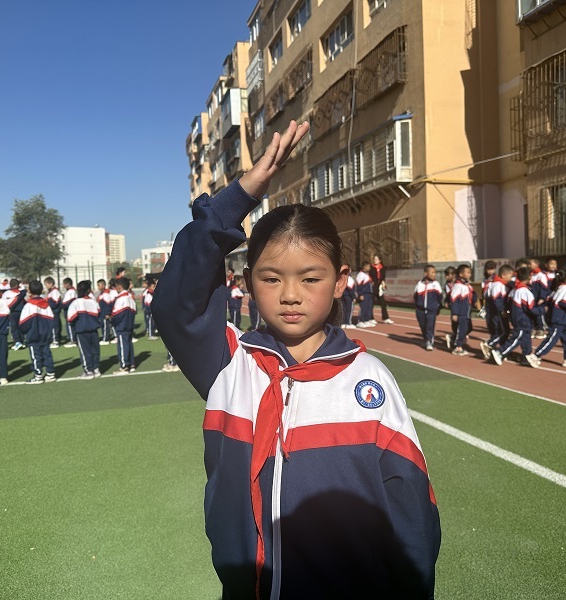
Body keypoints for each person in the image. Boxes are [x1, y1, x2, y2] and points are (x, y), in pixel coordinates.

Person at [152, 120, 440, 599]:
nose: (290, 296)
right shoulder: (230, 364)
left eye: (310, 278)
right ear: (246, 281)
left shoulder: (369, 381)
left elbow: (411, 510)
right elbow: (176, 302)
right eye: (270, 278)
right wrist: (240, 195)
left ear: (341, 280)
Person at [490, 266, 540, 368]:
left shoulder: (514, 290)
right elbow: (530, 308)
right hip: (522, 318)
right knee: (517, 338)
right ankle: (500, 352)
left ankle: (527, 355)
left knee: (526, 337)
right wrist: (541, 311)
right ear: (528, 278)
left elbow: (508, 302)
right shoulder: (525, 291)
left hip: (517, 317)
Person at [534, 269, 566, 368]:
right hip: (558, 318)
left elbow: (548, 300)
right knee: (552, 339)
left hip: (562, 319)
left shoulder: (557, 288)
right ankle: (536, 355)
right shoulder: (565, 289)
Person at [19, 280, 57, 384]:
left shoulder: (29, 305)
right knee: (47, 354)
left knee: (36, 356)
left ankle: (38, 375)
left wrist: (23, 331)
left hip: (33, 335)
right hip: (45, 334)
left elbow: (23, 322)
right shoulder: (46, 304)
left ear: (29, 291)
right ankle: (50, 373)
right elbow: (51, 319)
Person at [67, 279, 101, 379]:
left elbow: (70, 318)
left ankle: (88, 371)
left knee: (85, 351)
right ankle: (96, 369)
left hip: (82, 331)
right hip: (94, 330)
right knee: (95, 350)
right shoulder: (93, 302)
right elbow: (99, 313)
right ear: (89, 290)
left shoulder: (76, 303)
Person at [480, 265, 513, 359]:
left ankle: (501, 349)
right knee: (504, 331)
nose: (510, 278)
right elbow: (496, 299)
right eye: (509, 276)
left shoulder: (502, 284)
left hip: (497, 311)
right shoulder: (497, 284)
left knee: (501, 331)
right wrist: (502, 310)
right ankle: (489, 344)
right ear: (503, 275)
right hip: (497, 312)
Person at [446, 264, 475, 356]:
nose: (470, 274)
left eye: (470, 272)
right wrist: (455, 313)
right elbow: (454, 299)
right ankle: (457, 347)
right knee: (462, 329)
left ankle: (453, 337)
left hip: (467, 312)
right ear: (461, 274)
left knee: (469, 328)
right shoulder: (458, 286)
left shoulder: (467, 285)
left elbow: (473, 297)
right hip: (461, 313)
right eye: (468, 272)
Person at [110, 276, 136, 374]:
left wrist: (112, 322)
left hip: (121, 326)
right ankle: (131, 364)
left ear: (120, 287)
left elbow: (116, 315)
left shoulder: (121, 299)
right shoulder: (130, 299)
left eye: (116, 287)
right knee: (129, 344)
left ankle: (124, 366)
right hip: (129, 325)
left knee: (122, 345)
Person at [414, 264, 441, 350]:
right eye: (432, 272)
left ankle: (429, 341)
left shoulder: (436, 284)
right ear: (426, 273)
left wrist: (437, 307)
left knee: (430, 325)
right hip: (420, 310)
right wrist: (418, 305)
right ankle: (425, 339)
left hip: (431, 309)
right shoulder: (419, 284)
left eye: (435, 272)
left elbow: (439, 297)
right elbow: (415, 296)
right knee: (423, 326)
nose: (434, 274)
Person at [3, 278, 27, 351]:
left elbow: (4, 303)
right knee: (20, 326)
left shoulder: (6, 293)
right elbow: (25, 302)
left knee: (14, 327)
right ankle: (21, 341)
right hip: (21, 311)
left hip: (12, 312)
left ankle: (17, 341)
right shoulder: (21, 293)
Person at [370, 253, 394, 324]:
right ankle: (371, 318)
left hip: (379, 287)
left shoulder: (382, 268)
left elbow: (383, 278)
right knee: (371, 303)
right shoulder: (371, 268)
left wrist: (383, 285)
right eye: (374, 259)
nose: (375, 260)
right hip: (373, 286)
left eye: (376, 259)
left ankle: (386, 318)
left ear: (380, 260)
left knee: (383, 303)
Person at [529, 258, 549, 339]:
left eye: (530, 264)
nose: (528, 265)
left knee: (539, 314)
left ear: (536, 265)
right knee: (532, 314)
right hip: (532, 299)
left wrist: (542, 297)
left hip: (538, 299)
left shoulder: (541, 275)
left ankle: (541, 329)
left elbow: (544, 287)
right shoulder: (531, 275)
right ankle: (533, 328)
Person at [44, 276, 62, 348]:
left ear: (51, 283)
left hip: (54, 312)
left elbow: (55, 302)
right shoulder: (51, 292)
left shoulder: (55, 292)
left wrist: (48, 305)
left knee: (54, 326)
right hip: (52, 312)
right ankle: (55, 338)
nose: (45, 286)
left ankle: (55, 340)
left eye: (46, 284)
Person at [355, 262, 375, 328]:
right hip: (364, 294)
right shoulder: (360, 274)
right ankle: (360, 321)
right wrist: (360, 294)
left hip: (369, 293)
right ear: (364, 267)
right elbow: (359, 285)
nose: (369, 268)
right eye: (368, 266)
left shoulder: (367, 274)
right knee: (363, 307)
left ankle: (366, 320)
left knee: (368, 308)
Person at [96, 279, 114, 345]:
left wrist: (107, 313)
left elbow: (108, 304)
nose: (98, 287)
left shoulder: (106, 294)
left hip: (104, 313)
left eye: (99, 285)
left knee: (106, 326)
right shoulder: (102, 294)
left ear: (103, 285)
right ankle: (105, 337)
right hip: (101, 313)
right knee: (103, 326)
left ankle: (106, 339)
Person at [61, 277, 77, 348]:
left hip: (69, 310)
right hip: (68, 310)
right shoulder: (69, 291)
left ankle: (72, 340)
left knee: (70, 324)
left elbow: (70, 302)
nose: (63, 286)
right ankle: (73, 338)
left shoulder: (71, 291)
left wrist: (63, 305)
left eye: (64, 284)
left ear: (68, 284)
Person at [340, 265, 357, 329]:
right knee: (349, 310)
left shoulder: (341, 278)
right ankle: (348, 323)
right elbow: (351, 289)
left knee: (344, 309)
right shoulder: (349, 278)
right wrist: (353, 297)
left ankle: (343, 323)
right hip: (348, 296)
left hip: (342, 296)